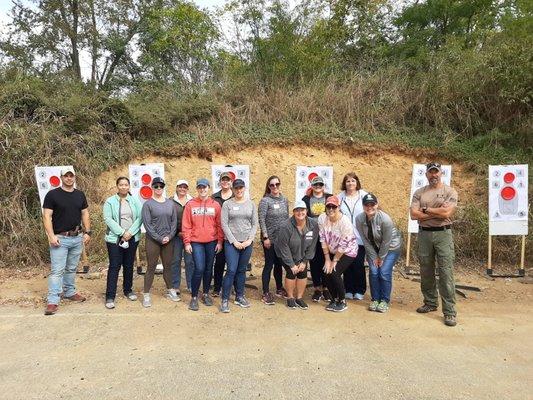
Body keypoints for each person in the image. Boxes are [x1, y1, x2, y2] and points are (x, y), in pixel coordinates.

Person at [410, 162, 459, 327]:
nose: (433, 175)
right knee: (426, 270)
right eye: (430, 172)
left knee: (446, 272)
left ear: (441, 173)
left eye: (436, 172)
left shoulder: (450, 191)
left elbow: (447, 213)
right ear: (426, 174)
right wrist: (436, 211)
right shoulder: (419, 192)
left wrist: (426, 210)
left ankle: (450, 311)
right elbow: (413, 215)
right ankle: (430, 302)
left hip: (443, 234)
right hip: (424, 234)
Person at [42, 167, 91, 315]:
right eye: (66, 176)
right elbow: (46, 216)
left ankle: (69, 292)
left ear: (74, 177)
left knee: (71, 268)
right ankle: (53, 300)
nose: (69, 178)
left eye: (71, 176)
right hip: (60, 238)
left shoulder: (80, 195)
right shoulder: (52, 195)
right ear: (61, 177)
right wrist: (51, 235)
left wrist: (88, 231)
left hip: (76, 238)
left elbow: (85, 213)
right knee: (57, 271)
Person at [356, 193, 402, 313]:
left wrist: (380, 258)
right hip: (373, 249)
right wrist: (373, 257)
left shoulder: (385, 219)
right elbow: (365, 240)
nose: (369, 207)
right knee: (374, 272)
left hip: (391, 247)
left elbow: (386, 241)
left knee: (384, 272)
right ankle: (375, 299)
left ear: (377, 204)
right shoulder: (359, 219)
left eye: (372, 204)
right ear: (363, 206)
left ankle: (384, 300)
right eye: (366, 204)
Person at [183, 178, 224, 311]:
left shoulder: (216, 205)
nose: (202, 190)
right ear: (197, 189)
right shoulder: (190, 205)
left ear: (209, 188)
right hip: (196, 242)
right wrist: (187, 242)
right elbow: (186, 225)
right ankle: (194, 297)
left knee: (208, 268)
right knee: (199, 268)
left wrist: (219, 241)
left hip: (211, 242)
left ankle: (205, 293)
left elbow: (219, 225)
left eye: (204, 187)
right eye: (200, 187)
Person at [102, 177, 143, 309]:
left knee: (129, 265)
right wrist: (122, 232)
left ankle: (128, 290)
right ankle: (110, 296)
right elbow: (108, 219)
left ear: (129, 186)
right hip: (115, 238)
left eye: (126, 185)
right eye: (121, 185)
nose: (124, 187)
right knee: (114, 266)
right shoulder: (110, 201)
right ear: (117, 186)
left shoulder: (135, 200)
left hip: (132, 237)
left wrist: (130, 233)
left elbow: (140, 218)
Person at [219, 179, 258, 312]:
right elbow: (224, 224)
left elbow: (254, 224)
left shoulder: (251, 204)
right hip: (231, 243)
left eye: (241, 187)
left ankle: (239, 296)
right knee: (231, 270)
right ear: (233, 189)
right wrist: (234, 241)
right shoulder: (227, 204)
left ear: (244, 188)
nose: (239, 190)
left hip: (247, 242)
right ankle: (224, 299)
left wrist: (249, 240)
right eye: (236, 188)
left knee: (241, 270)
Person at [141, 177, 179, 307]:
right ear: (152, 187)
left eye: (161, 186)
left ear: (164, 187)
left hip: (168, 240)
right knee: (151, 267)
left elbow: (174, 222)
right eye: (156, 186)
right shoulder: (148, 204)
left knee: (168, 266)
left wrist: (169, 236)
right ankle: (146, 294)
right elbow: (147, 224)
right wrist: (159, 238)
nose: (158, 188)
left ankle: (170, 290)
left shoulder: (170, 203)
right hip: (153, 240)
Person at [275, 200, 319, 309]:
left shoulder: (313, 224)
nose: (300, 212)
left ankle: (299, 298)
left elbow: (313, 244)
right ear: (293, 212)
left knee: (302, 272)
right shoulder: (286, 226)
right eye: (297, 210)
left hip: (302, 253)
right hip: (285, 253)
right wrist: (291, 264)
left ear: (306, 211)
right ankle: (290, 297)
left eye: (302, 210)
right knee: (291, 272)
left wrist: (304, 261)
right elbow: (284, 247)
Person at [318, 196, 358, 312]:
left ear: (338, 207)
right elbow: (322, 239)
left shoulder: (345, 222)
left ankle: (342, 300)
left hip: (348, 251)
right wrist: (327, 259)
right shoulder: (322, 218)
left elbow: (344, 245)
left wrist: (334, 261)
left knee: (334, 272)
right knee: (326, 272)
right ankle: (334, 298)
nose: (331, 209)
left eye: (334, 206)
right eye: (328, 206)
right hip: (332, 249)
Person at [258, 175, 290, 305]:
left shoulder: (284, 200)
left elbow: (287, 217)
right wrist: (266, 237)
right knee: (269, 264)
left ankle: (278, 288)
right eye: (272, 185)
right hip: (269, 239)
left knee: (279, 264)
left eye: (277, 184)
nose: (275, 187)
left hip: (281, 239)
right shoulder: (265, 201)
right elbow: (261, 219)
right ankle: (265, 292)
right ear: (269, 187)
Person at [337, 172, 368, 300]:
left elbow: (372, 209)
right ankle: (348, 289)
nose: (350, 183)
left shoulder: (364, 195)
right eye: (348, 181)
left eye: (353, 181)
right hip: (345, 236)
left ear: (357, 183)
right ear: (344, 183)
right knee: (346, 264)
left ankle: (360, 289)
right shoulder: (340, 197)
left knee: (358, 263)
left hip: (360, 235)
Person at [302, 175, 332, 302]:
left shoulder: (329, 197)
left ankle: (326, 288)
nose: (318, 187)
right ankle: (317, 288)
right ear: (312, 186)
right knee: (314, 262)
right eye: (315, 184)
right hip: (312, 234)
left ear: (323, 186)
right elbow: (302, 215)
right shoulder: (306, 199)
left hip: (328, 235)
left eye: (320, 184)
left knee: (327, 260)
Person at [211, 172, 234, 296]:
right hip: (218, 235)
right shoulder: (214, 197)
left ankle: (234, 287)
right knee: (219, 263)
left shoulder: (237, 196)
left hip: (234, 236)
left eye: (228, 180)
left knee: (233, 264)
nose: (225, 182)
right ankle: (217, 288)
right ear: (220, 182)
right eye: (223, 180)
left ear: (231, 182)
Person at [170, 179, 194, 294]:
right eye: (180, 186)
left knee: (190, 261)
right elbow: (168, 220)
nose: (182, 189)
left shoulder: (193, 201)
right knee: (176, 260)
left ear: (187, 189)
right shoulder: (170, 201)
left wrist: (189, 233)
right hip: (175, 236)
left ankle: (190, 285)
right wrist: (176, 232)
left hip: (189, 236)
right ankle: (175, 285)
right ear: (176, 187)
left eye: (185, 187)